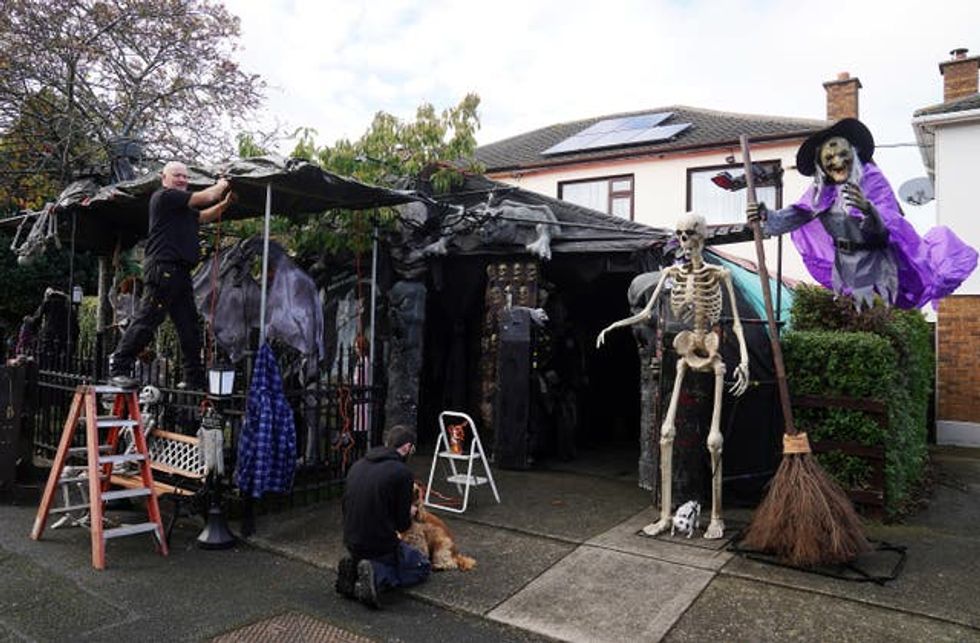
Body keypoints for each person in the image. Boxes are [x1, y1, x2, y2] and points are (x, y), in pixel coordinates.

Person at [748, 118, 976, 310]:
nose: (836, 161)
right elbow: (796, 215)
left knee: (877, 307)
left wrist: (868, 210)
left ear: (853, 153)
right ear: (821, 165)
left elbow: (888, 225)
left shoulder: (871, 177)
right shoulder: (819, 191)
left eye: (841, 154)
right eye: (829, 158)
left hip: (882, 263)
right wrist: (766, 216)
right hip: (848, 267)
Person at [108, 162, 234, 389]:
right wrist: (223, 182)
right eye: (177, 175)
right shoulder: (164, 197)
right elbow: (207, 196)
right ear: (163, 177)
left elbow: (204, 216)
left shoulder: (180, 209)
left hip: (181, 272)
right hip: (163, 269)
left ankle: (194, 379)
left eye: (186, 176)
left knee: (189, 327)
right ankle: (118, 367)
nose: (182, 180)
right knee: (149, 319)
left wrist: (225, 204)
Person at [336, 425, 431, 609]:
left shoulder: (358, 464)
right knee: (421, 566)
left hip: (350, 539)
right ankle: (378, 576)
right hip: (379, 544)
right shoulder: (402, 473)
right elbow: (402, 526)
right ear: (406, 448)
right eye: (412, 449)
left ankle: (356, 571)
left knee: (376, 553)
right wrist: (409, 512)